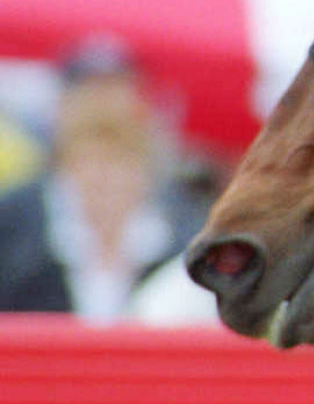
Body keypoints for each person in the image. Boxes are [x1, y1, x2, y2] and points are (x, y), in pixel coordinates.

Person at [0, 37, 210, 319]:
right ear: (65, 163)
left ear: (143, 168)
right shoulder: (14, 225)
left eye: (119, 162)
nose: (104, 179)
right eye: (90, 163)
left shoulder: (183, 231)